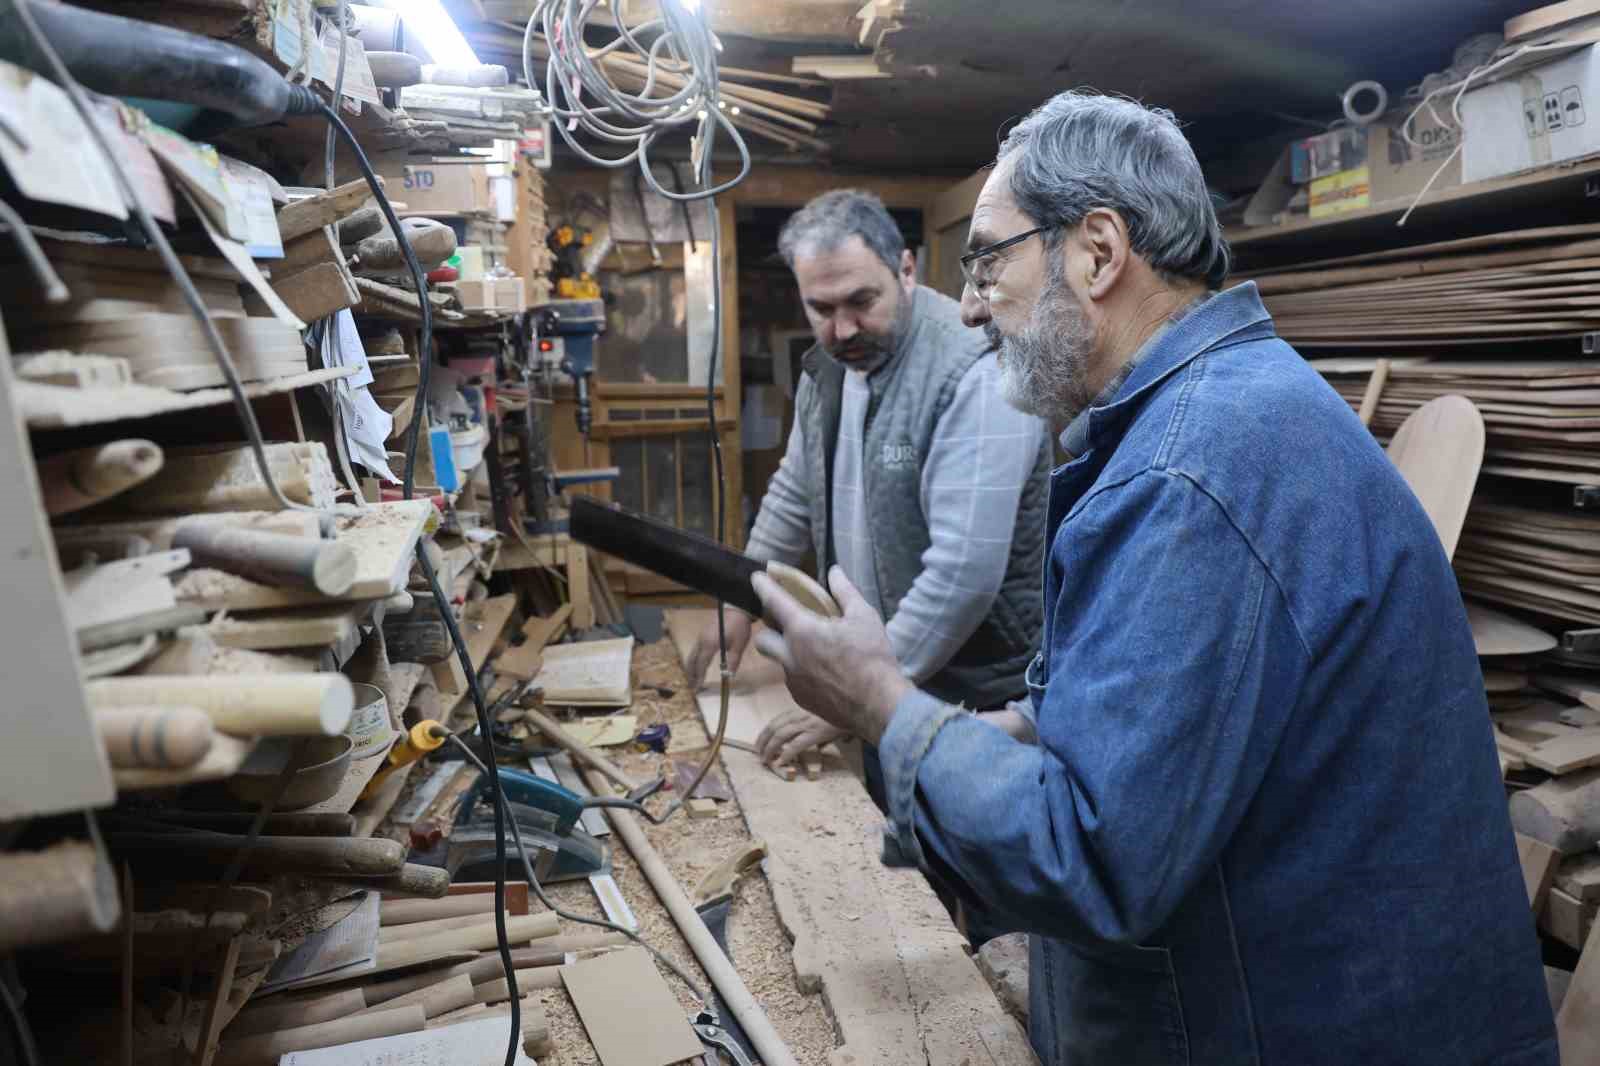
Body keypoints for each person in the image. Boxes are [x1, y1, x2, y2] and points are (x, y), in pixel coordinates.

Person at [749, 92, 1556, 1066]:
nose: (967, 306)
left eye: (989, 259)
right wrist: (1005, 734)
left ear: (1095, 252)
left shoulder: (1194, 471)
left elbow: (1090, 856)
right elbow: (1159, 726)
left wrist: (877, 698)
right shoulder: (1208, 419)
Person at [685, 189, 1053, 779]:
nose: (843, 327)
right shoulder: (830, 367)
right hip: (886, 682)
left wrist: (861, 695)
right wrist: (740, 598)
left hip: (972, 701)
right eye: (821, 309)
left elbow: (961, 577)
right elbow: (792, 492)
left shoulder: (977, 372)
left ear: (905, 269)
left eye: (862, 301)